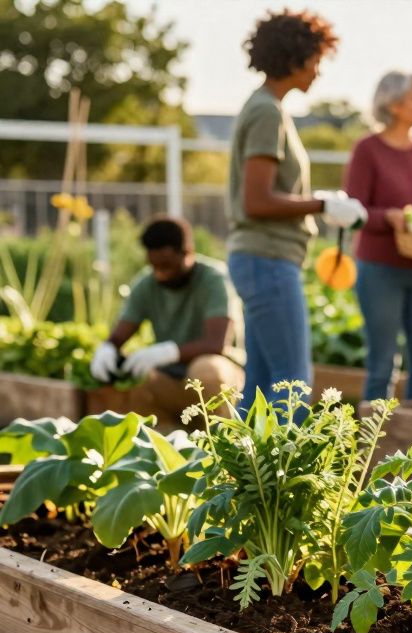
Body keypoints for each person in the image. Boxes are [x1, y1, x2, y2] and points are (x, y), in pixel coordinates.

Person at [226, 9, 365, 412]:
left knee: (260, 388)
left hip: (259, 259)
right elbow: (258, 200)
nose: (318, 72)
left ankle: (237, 474)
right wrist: (323, 204)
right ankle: (282, 476)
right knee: (293, 388)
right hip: (267, 259)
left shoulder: (266, 108)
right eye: (315, 61)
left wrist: (320, 200)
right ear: (294, 58)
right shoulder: (267, 112)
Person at [344, 71, 412, 401]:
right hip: (380, 270)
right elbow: (354, 212)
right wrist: (389, 217)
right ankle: (371, 449)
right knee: (381, 366)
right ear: (392, 105)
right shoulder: (367, 149)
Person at [90, 217, 245, 421]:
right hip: (172, 376)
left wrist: (167, 352)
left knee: (206, 371)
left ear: (187, 252)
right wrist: (107, 348)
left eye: (167, 266)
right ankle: (164, 438)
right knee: (133, 383)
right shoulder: (147, 284)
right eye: (155, 267)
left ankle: (220, 438)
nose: (161, 274)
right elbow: (120, 335)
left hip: (221, 373)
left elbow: (216, 343)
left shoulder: (213, 279)